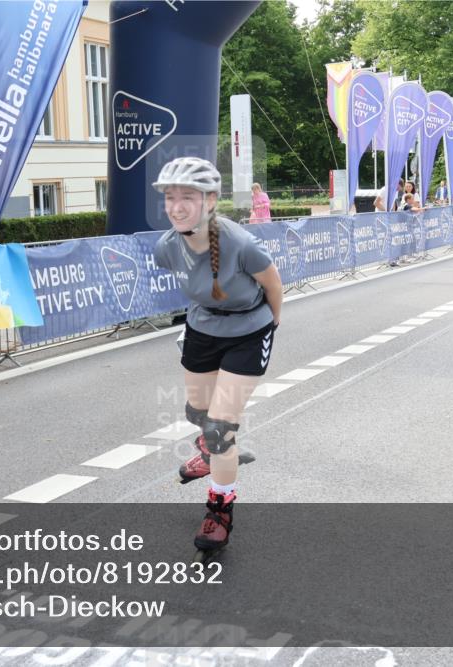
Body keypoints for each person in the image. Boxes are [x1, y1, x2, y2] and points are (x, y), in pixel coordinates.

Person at [151, 157, 283, 555]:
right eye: (170, 197)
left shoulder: (240, 243)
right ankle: (208, 451)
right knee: (198, 414)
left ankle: (219, 511)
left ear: (210, 200)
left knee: (220, 430)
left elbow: (273, 285)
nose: (176, 206)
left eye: (187, 197)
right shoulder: (166, 247)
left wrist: (270, 325)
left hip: (248, 329)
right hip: (202, 329)